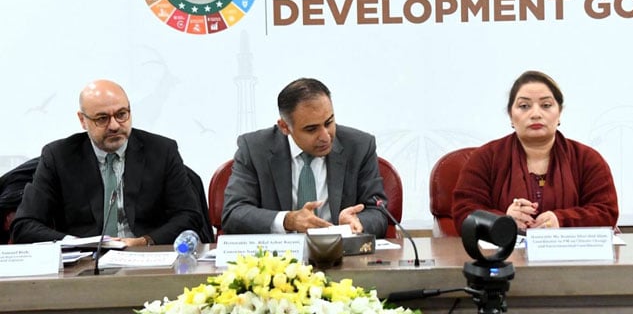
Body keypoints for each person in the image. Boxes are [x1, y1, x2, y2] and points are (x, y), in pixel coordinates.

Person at [11, 80, 202, 246]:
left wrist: (145, 241)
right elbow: (24, 225)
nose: (114, 125)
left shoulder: (162, 150)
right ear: (82, 120)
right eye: (102, 118)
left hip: (145, 257)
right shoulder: (59, 156)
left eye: (121, 114)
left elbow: (189, 216)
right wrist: (77, 244)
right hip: (83, 265)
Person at [452, 70, 619, 232]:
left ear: (559, 113)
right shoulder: (485, 158)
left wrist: (561, 221)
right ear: (511, 115)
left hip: (570, 259)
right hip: (504, 258)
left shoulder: (587, 159)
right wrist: (503, 221)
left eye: (546, 105)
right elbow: (464, 212)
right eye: (524, 106)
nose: (536, 114)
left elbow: (606, 212)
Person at [221, 78, 388, 237]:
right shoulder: (255, 148)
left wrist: (357, 222)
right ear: (284, 127)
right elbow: (234, 213)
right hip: (278, 261)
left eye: (329, 122)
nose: (325, 136)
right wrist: (288, 220)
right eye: (311, 129)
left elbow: (378, 211)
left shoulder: (359, 146)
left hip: (341, 257)